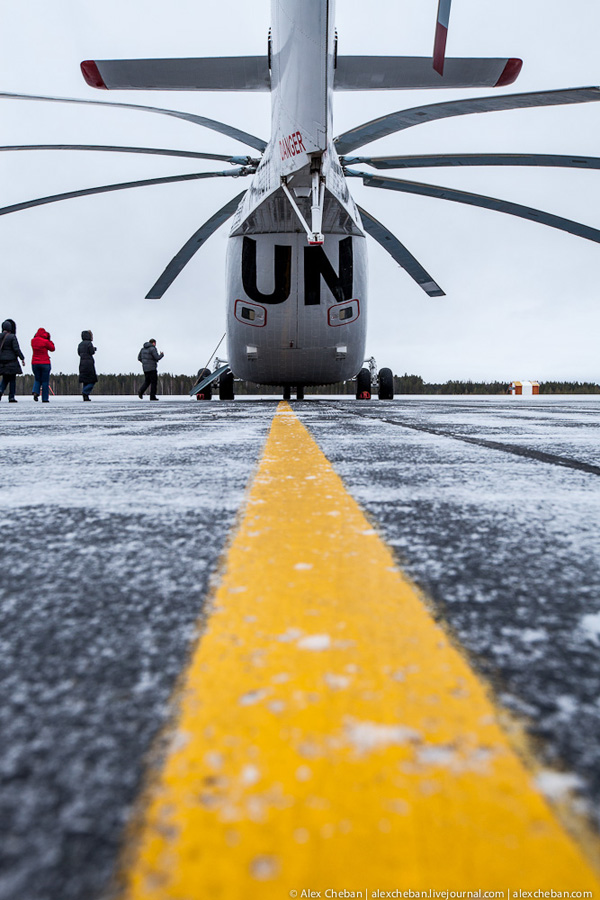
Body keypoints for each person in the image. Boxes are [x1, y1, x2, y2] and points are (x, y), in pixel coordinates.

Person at [0, 319, 25, 403]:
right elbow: (16, 349)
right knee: (12, 379)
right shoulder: (12, 337)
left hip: (2, 361)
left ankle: (0, 390)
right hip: (12, 361)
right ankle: (11, 397)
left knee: (5, 378)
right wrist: (22, 358)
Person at [31, 327, 55, 402]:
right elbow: (52, 348)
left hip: (35, 363)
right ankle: (45, 398)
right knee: (45, 381)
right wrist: (49, 340)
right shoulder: (45, 341)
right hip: (45, 363)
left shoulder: (33, 341)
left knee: (37, 379)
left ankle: (35, 391)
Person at [78, 330, 97, 400]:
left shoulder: (80, 344)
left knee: (85, 381)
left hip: (82, 363)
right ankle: (85, 392)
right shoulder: (89, 343)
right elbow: (91, 352)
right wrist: (94, 349)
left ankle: (86, 396)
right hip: (89, 363)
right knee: (92, 380)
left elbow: (79, 353)